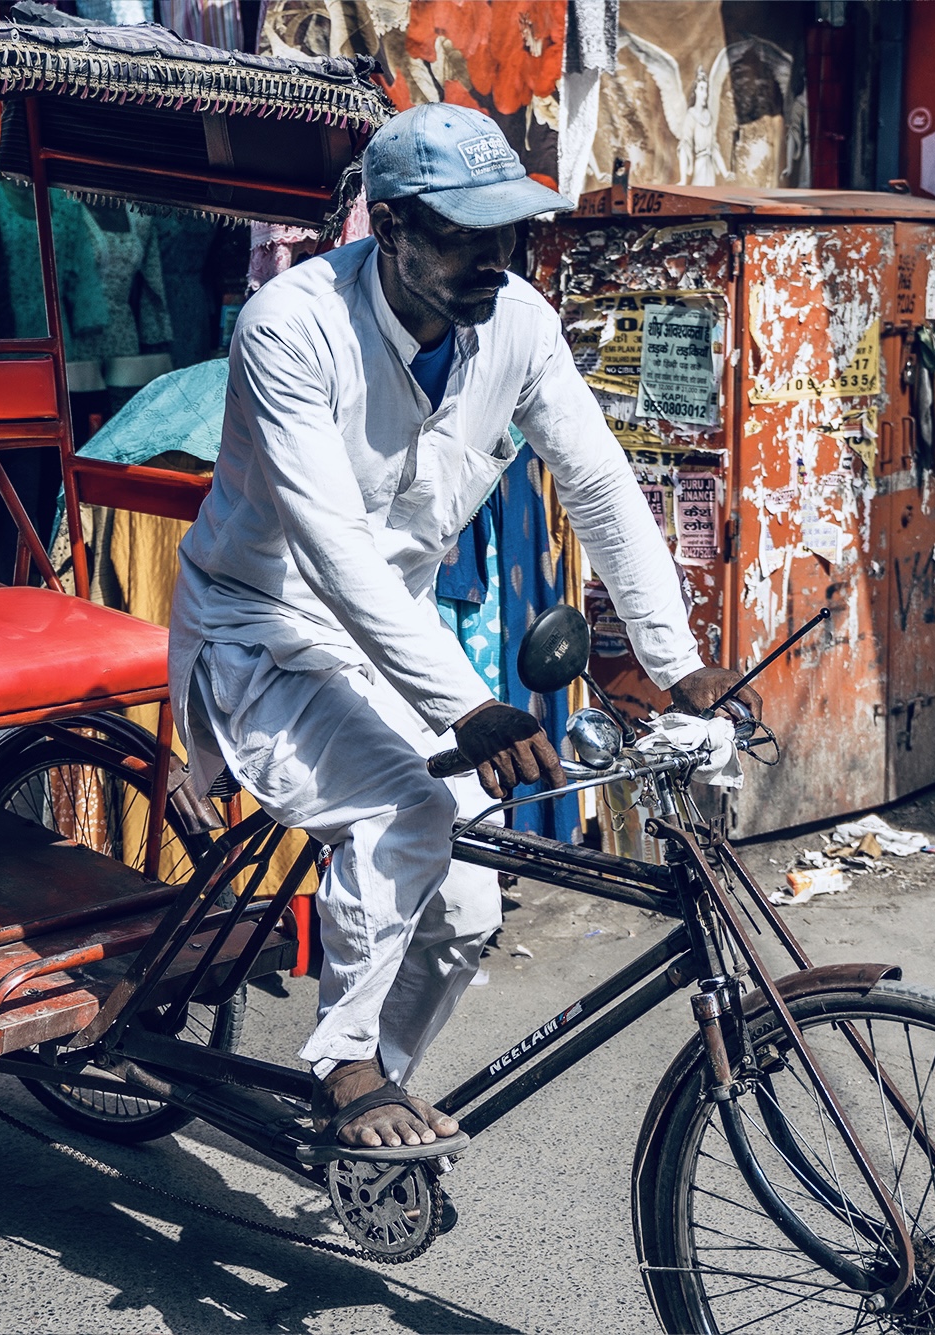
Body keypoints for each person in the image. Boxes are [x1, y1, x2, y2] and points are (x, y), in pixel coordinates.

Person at [168, 104, 759, 1150]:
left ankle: (372, 1111)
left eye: (507, 232)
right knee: (406, 808)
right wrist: (467, 706)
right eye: (462, 234)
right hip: (264, 627)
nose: (493, 257)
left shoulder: (517, 321)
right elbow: (330, 546)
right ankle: (343, 1065)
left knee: (469, 909)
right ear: (390, 226)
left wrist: (676, 664)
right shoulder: (290, 324)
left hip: (395, 636)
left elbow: (597, 484)